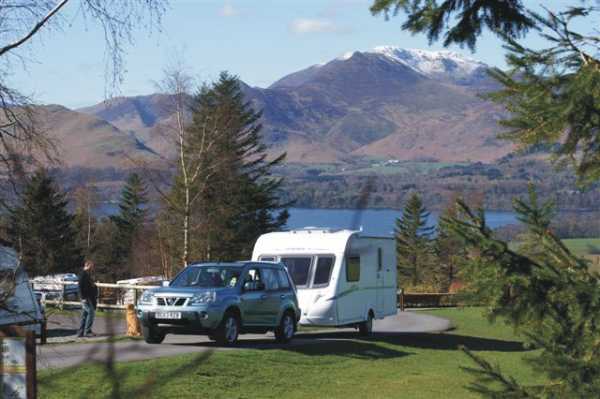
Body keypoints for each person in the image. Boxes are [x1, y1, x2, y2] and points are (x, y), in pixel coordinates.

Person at [77, 260, 98, 337]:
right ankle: (87, 331)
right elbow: (80, 286)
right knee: (91, 312)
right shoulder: (83, 274)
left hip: (88, 296)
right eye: (91, 266)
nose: (92, 268)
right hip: (85, 297)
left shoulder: (86, 274)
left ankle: (80, 332)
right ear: (88, 265)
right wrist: (82, 297)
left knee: (85, 314)